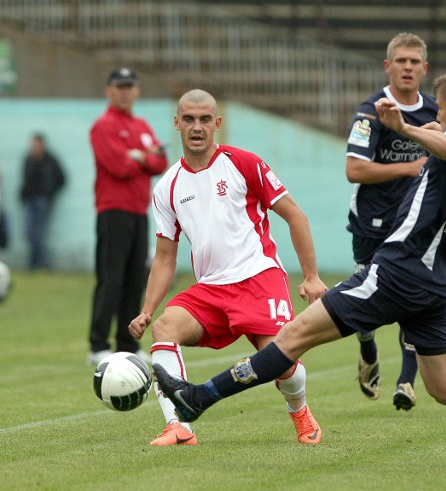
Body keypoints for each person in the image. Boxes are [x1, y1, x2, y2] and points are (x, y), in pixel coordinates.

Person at [152, 68, 446, 468]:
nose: (433, 113)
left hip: (398, 272)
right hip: (441, 284)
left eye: (440, 107)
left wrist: (405, 128)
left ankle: (197, 399)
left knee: (291, 338)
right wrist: (435, 131)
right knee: (444, 387)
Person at [128, 89, 328, 446]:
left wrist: (311, 276)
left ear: (217, 123)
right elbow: (164, 257)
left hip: (259, 278)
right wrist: (147, 310)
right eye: (188, 119)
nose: (197, 127)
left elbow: (294, 214)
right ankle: (179, 427)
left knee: (281, 361)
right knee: (165, 328)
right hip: (212, 289)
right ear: (177, 123)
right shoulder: (167, 186)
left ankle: (299, 409)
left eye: (205, 119)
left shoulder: (244, 163)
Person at [345, 32, 437, 410]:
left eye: (414, 62)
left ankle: (406, 382)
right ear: (388, 66)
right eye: (401, 60)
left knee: (412, 303)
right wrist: (409, 168)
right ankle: (367, 350)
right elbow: (354, 169)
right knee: (365, 306)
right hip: (371, 223)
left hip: (415, 226)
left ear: (424, 69)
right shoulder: (372, 111)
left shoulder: (435, 113)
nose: (408, 67)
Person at [87, 67, 168, 366]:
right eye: (118, 86)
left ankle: (126, 343)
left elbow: (161, 162)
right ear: (109, 90)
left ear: (136, 91)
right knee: (111, 278)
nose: (124, 91)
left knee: (135, 279)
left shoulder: (142, 125)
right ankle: (97, 343)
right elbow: (118, 166)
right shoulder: (103, 126)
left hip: (138, 211)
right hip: (112, 210)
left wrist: (139, 156)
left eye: (129, 86)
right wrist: (143, 158)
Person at [19, 133, 66, 270]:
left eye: (37, 144)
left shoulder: (51, 160)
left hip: (43, 200)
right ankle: (41, 262)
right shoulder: (28, 159)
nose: (34, 147)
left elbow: (62, 179)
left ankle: (35, 264)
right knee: (29, 232)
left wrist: (50, 193)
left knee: (39, 233)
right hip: (29, 200)